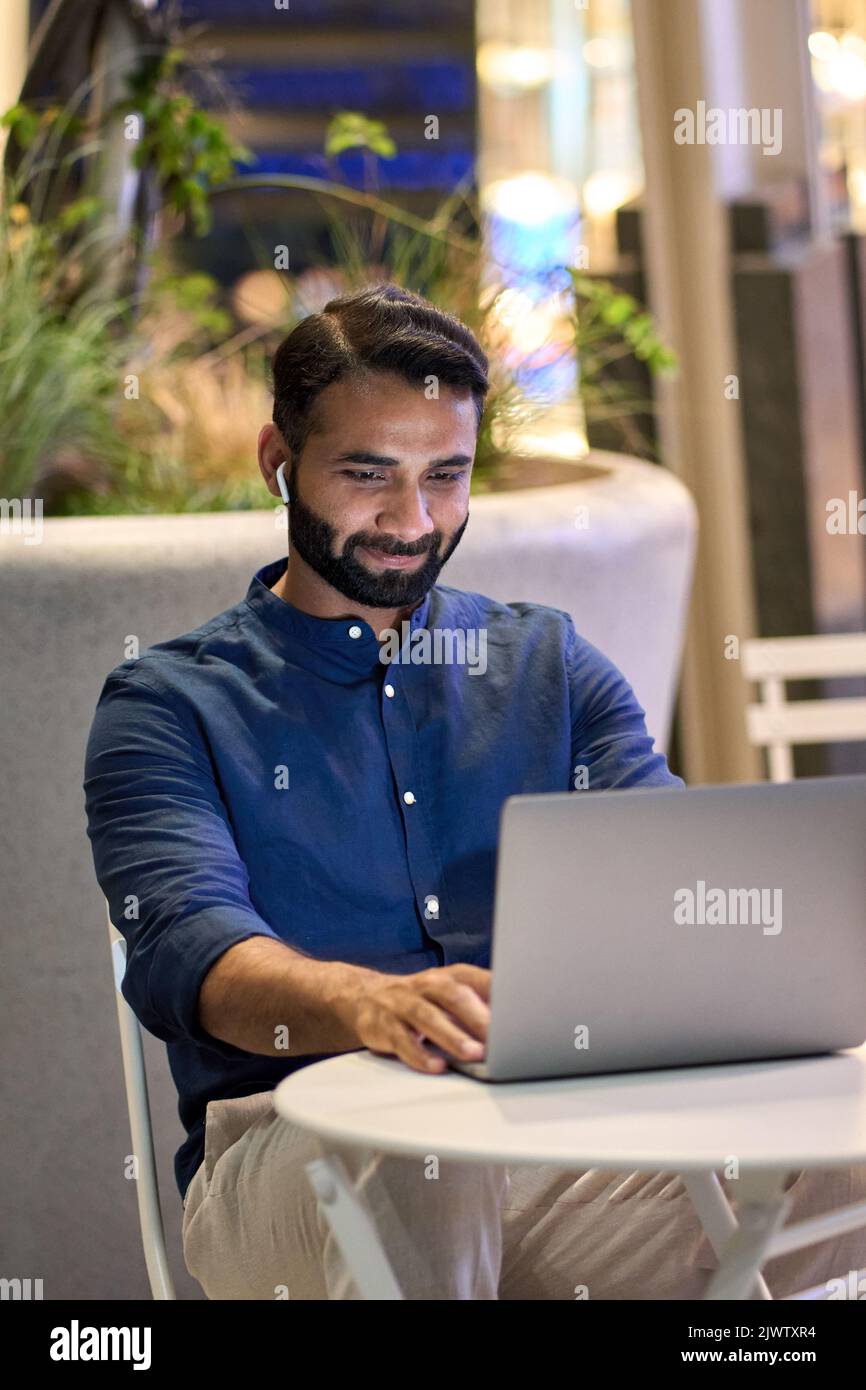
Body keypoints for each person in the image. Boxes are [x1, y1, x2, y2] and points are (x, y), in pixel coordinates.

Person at [83, 284, 866, 1299]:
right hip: (287, 1157)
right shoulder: (167, 704)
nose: (411, 521)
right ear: (280, 465)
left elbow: (673, 879)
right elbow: (194, 956)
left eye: (444, 477)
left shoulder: (546, 662)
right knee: (418, 1152)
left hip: (544, 1153)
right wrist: (371, 1004)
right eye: (369, 476)